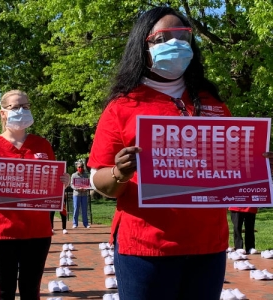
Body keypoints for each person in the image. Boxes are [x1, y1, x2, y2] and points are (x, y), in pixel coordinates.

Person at [87, 7, 233, 300]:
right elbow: (98, 181)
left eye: (182, 36)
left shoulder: (211, 102)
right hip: (147, 247)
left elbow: (230, 169)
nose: (176, 43)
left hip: (208, 246)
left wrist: (255, 162)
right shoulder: (123, 106)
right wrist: (119, 173)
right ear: (144, 45)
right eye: (163, 37)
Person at [0, 90, 70, 300]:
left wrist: (63, 183)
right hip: (1, 230)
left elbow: (51, 187)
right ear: (2, 113)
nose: (21, 111)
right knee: (4, 291)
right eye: (15, 107)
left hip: (37, 230)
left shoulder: (42, 144)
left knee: (30, 290)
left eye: (26, 106)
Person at [70, 162, 90, 228]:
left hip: (84, 194)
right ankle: (75, 223)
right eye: (79, 167)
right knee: (76, 209)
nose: (80, 168)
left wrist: (86, 188)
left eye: (81, 167)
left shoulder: (85, 175)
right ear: (77, 168)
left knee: (84, 209)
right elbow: (72, 184)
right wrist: (77, 188)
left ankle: (86, 223)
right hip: (76, 194)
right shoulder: (74, 175)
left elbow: (88, 184)